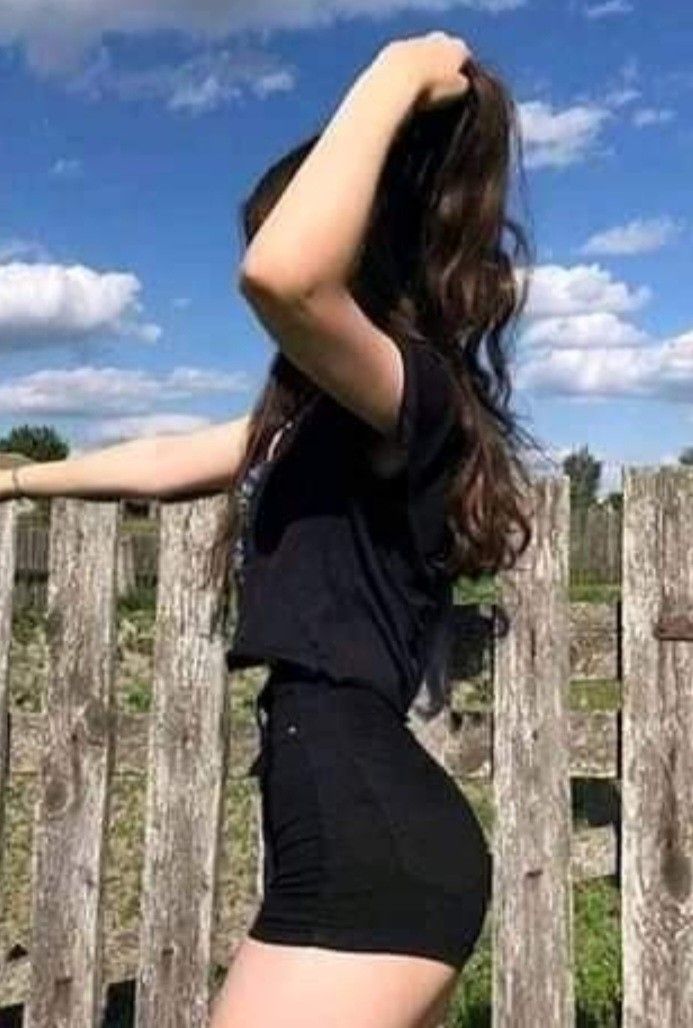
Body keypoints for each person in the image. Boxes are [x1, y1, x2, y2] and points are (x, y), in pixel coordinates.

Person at [1, 30, 542, 1028]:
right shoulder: (312, 421)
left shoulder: (416, 396)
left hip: (368, 847)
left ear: (366, 248)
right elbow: (164, 461)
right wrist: (18, 476)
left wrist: (395, 71)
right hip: (342, 833)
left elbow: (284, 276)